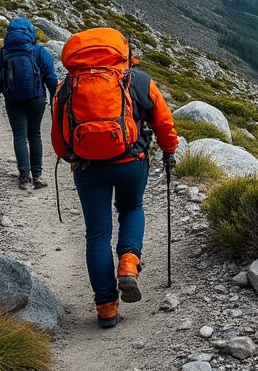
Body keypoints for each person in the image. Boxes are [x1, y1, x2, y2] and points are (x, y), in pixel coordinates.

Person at [50, 28, 178, 329]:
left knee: (97, 234)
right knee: (131, 208)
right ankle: (129, 264)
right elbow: (163, 120)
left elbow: (58, 137)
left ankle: (106, 308)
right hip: (130, 162)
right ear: (121, 51)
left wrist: (74, 157)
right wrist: (169, 150)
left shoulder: (67, 85)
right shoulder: (138, 80)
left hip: (88, 168)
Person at [0, 18, 59, 191]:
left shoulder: (3, 53)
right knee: (35, 135)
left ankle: (24, 177)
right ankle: (37, 176)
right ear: (31, 33)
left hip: (14, 100)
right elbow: (51, 78)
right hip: (37, 100)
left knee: (19, 136)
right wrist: (55, 99)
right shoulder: (40, 52)